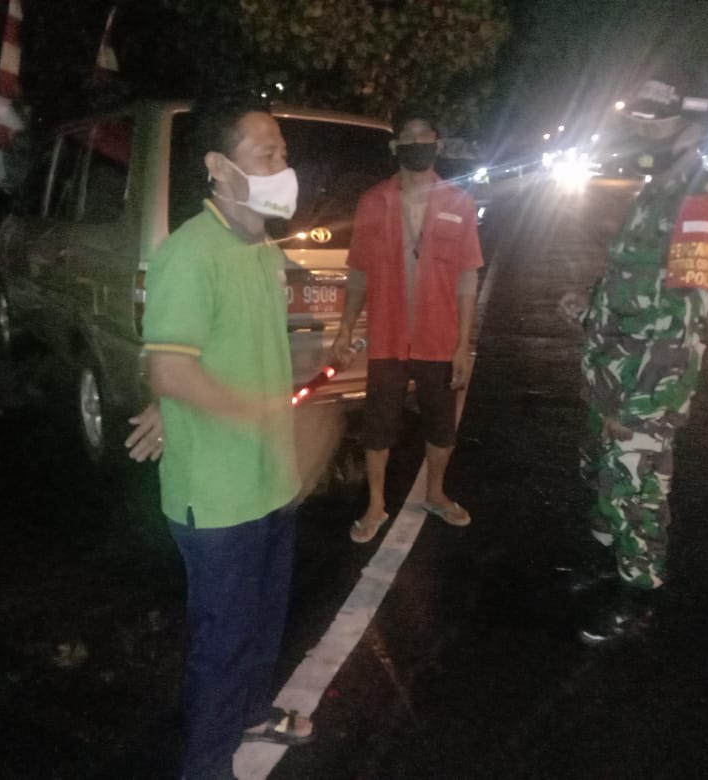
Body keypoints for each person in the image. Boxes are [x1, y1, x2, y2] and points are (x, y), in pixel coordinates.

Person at [138, 100, 313, 780]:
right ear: (218, 165)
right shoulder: (190, 252)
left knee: (263, 626)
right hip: (216, 498)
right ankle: (207, 767)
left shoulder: (263, 249)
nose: (282, 165)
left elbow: (218, 349)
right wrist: (249, 408)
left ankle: (249, 715)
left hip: (270, 480)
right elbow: (169, 367)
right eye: (266, 152)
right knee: (225, 643)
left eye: (283, 152)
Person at [560, 78, 708, 646]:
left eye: (655, 121)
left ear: (686, 124)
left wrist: (638, 398)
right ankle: (608, 564)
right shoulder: (657, 189)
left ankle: (639, 596)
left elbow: (687, 312)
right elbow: (634, 281)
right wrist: (591, 306)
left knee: (636, 488)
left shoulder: (696, 198)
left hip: (645, 382)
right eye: (638, 120)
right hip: (612, 372)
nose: (643, 130)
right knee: (605, 478)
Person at [333, 104, 484, 543]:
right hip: (387, 338)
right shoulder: (373, 201)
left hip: (440, 339)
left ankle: (435, 493)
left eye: (425, 135)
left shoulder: (459, 202)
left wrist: (462, 345)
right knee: (378, 426)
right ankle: (375, 505)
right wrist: (346, 327)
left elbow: (467, 277)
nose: (417, 142)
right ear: (394, 145)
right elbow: (359, 272)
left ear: (437, 144)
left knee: (441, 425)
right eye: (409, 135)